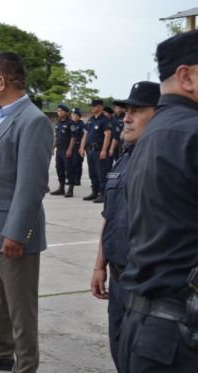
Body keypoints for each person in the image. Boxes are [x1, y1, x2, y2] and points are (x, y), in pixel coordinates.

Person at [0, 52, 53, 372]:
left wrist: (16, 232)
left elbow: (31, 186)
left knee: (21, 307)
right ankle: (1, 352)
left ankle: (25, 365)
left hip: (12, 234)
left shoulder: (33, 121)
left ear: (1, 82)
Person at [118, 29, 198, 373]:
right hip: (181, 338)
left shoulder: (155, 134)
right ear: (187, 76)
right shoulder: (191, 132)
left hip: (148, 328)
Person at [89, 81, 160, 371]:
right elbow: (110, 216)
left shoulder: (162, 162)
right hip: (117, 280)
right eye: (125, 111)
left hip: (147, 286)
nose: (126, 118)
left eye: (137, 111)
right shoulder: (124, 160)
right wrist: (99, 265)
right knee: (119, 351)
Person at [79, 99, 112, 203]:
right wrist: (82, 147)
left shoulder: (105, 120)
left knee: (101, 172)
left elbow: (108, 135)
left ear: (101, 107)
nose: (92, 108)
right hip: (90, 150)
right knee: (92, 172)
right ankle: (94, 192)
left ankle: (103, 194)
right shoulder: (90, 120)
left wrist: (104, 150)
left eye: (95, 106)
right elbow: (85, 134)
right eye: (92, 106)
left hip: (99, 150)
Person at [49, 103, 77, 197]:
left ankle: (70, 189)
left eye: (61, 111)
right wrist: (53, 147)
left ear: (66, 112)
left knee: (69, 169)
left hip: (67, 149)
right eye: (58, 111)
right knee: (59, 168)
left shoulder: (71, 123)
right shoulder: (58, 122)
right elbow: (56, 136)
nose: (59, 112)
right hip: (59, 149)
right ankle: (61, 188)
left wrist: (69, 149)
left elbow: (73, 137)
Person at [71, 108, 85, 185]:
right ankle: (71, 179)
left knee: (77, 163)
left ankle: (77, 179)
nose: (75, 117)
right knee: (71, 163)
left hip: (78, 145)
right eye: (73, 115)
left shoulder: (82, 125)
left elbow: (84, 137)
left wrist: (82, 147)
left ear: (79, 116)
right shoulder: (70, 124)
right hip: (71, 146)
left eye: (76, 115)